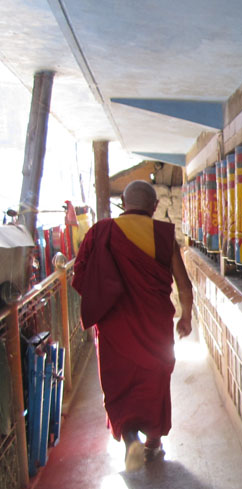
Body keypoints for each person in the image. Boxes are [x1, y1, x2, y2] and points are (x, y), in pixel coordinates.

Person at [72, 180, 193, 471]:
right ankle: (153, 441)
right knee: (154, 381)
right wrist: (186, 316)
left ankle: (129, 437)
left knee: (119, 383)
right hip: (155, 327)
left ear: (123, 204)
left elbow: (82, 276)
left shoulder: (102, 232)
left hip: (115, 327)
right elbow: (184, 284)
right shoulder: (164, 235)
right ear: (153, 206)